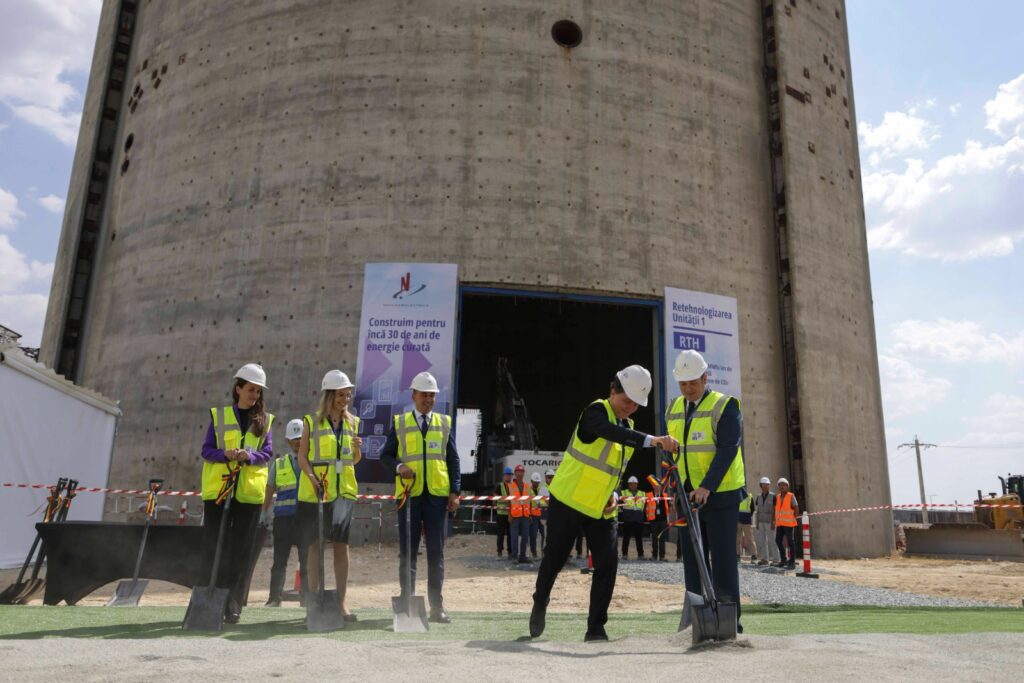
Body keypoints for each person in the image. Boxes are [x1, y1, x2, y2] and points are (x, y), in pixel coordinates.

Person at [530, 365, 679, 642]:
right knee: (554, 559)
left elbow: (614, 470)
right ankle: (540, 601)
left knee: (608, 565)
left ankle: (595, 628)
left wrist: (613, 494)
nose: (630, 408)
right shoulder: (595, 413)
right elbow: (610, 433)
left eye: (636, 405)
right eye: (626, 401)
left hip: (601, 508)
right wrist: (653, 440)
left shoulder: (629, 426)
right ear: (613, 391)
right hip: (569, 500)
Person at [666, 350, 745, 633]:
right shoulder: (674, 408)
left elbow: (727, 450)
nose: (688, 389)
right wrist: (679, 490)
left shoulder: (725, 406)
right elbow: (674, 453)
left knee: (723, 560)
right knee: (693, 562)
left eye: (693, 383)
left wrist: (706, 486)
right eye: (683, 384)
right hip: (690, 498)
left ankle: (729, 622)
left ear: (705, 377)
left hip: (721, 495)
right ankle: (696, 623)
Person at [380, 371, 461, 624]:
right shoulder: (400, 423)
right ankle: (407, 603)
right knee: (408, 552)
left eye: (432, 395)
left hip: (436, 498)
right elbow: (386, 456)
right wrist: (398, 467)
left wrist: (455, 492)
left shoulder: (444, 423)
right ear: (413, 395)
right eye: (424, 394)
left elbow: (453, 460)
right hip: (409, 497)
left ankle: (437, 607)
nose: (428, 399)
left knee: (436, 554)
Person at [199, 363, 275, 624]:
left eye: (258, 391)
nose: (254, 395)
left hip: (249, 493)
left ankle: (233, 603)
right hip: (219, 491)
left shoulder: (265, 421)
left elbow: (268, 453)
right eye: (251, 390)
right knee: (216, 547)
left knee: (241, 551)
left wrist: (250, 455)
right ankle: (212, 598)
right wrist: (225, 455)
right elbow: (206, 450)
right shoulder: (219, 417)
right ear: (238, 388)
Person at [296, 370, 362, 622]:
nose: (346, 398)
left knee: (341, 548)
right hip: (317, 494)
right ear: (329, 395)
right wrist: (313, 479)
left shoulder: (353, 422)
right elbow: (302, 456)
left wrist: (358, 452)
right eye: (341, 394)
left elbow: (353, 461)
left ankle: (342, 604)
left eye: (348, 394)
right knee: (314, 546)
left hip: (343, 492)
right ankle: (314, 602)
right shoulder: (311, 422)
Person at [262, 418, 308, 606]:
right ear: (289, 441)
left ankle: (307, 599)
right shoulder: (279, 464)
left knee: (307, 563)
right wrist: (263, 512)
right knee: (279, 561)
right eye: (294, 438)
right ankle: (274, 598)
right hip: (283, 521)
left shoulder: (313, 462)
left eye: (300, 438)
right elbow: (269, 488)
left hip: (306, 520)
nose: (297, 442)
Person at [752, 476, 779, 566]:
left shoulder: (773, 496)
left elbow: (775, 510)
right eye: (764, 485)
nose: (766, 486)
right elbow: (758, 511)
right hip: (761, 522)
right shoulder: (758, 497)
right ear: (761, 486)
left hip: (770, 522)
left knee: (772, 541)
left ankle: (776, 559)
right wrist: (757, 522)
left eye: (767, 485)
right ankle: (765, 559)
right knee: (762, 541)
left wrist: (774, 521)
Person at [508, 464, 532, 563]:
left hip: (525, 515)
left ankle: (522, 556)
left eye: (521, 472)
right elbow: (509, 502)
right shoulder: (511, 486)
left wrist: (529, 514)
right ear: (515, 473)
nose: (520, 473)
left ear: (523, 473)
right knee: (514, 537)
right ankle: (514, 556)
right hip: (515, 515)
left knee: (525, 537)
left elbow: (529, 501)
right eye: (518, 471)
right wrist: (509, 515)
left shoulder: (527, 486)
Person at [774, 477, 799, 569]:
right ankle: (784, 560)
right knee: (778, 540)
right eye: (780, 485)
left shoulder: (791, 496)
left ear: (787, 486)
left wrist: (794, 517)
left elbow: (796, 507)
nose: (782, 487)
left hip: (788, 524)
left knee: (790, 542)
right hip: (780, 523)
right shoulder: (777, 497)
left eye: (784, 485)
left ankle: (792, 562)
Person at [619, 476, 646, 559]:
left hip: (638, 518)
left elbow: (644, 505)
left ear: (637, 484)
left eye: (635, 484)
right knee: (626, 538)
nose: (633, 486)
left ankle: (641, 555)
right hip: (628, 518)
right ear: (629, 485)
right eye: (631, 484)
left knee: (639, 538)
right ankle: (624, 554)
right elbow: (620, 504)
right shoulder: (624, 493)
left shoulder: (642, 493)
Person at [646, 480, 670, 561]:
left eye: (659, 485)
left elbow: (668, 508)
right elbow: (645, 508)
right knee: (654, 539)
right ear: (653, 486)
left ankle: (662, 556)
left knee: (662, 539)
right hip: (654, 521)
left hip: (663, 520)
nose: (657, 487)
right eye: (655, 485)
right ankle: (654, 556)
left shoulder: (665, 495)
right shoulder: (649, 495)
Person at [494, 467, 514, 558]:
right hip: (501, 513)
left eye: (510, 475)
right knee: (501, 533)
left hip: (511, 513)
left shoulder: (513, 486)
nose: (509, 476)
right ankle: (499, 551)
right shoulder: (500, 486)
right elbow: (494, 498)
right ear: (504, 476)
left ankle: (510, 552)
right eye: (507, 475)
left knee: (510, 534)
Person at [737, 489, 757, 562]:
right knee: (737, 539)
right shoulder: (736, 494)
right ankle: (738, 555)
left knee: (750, 539)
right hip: (738, 520)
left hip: (746, 521)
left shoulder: (749, 496)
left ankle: (754, 556)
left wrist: (747, 516)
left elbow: (752, 509)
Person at [528, 472, 544, 559]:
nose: (537, 484)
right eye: (535, 482)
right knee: (533, 535)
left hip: (541, 516)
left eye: (538, 482)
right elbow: (528, 504)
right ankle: (534, 553)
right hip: (533, 516)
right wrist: (529, 515)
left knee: (543, 535)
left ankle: (543, 553)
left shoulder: (541, 490)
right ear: (531, 481)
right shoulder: (529, 491)